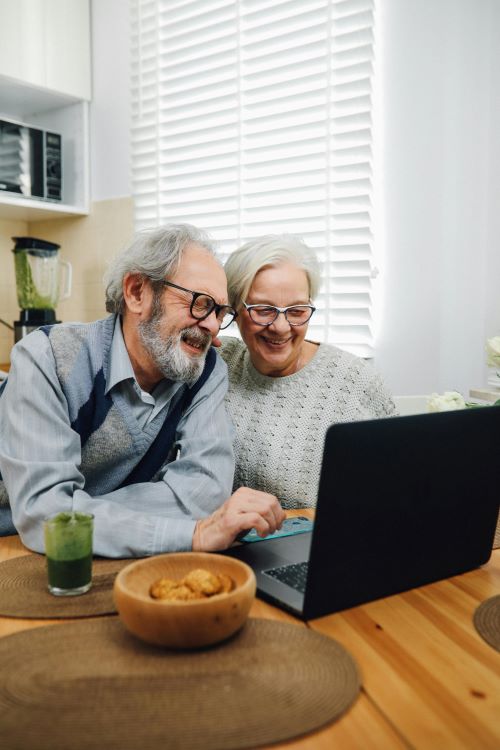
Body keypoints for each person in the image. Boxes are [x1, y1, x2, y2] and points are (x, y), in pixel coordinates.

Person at [0, 224, 284, 556]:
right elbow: (42, 517)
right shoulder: (47, 357)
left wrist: (76, 511)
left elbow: (206, 491)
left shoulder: (205, 370)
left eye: (220, 312)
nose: (210, 325)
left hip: (96, 552)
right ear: (137, 292)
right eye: (200, 303)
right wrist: (189, 533)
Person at [220, 234, 396, 508]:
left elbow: (397, 484)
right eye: (263, 310)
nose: (280, 327)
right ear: (234, 309)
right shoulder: (219, 362)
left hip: (319, 541)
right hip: (224, 542)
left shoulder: (355, 381)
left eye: (297, 310)